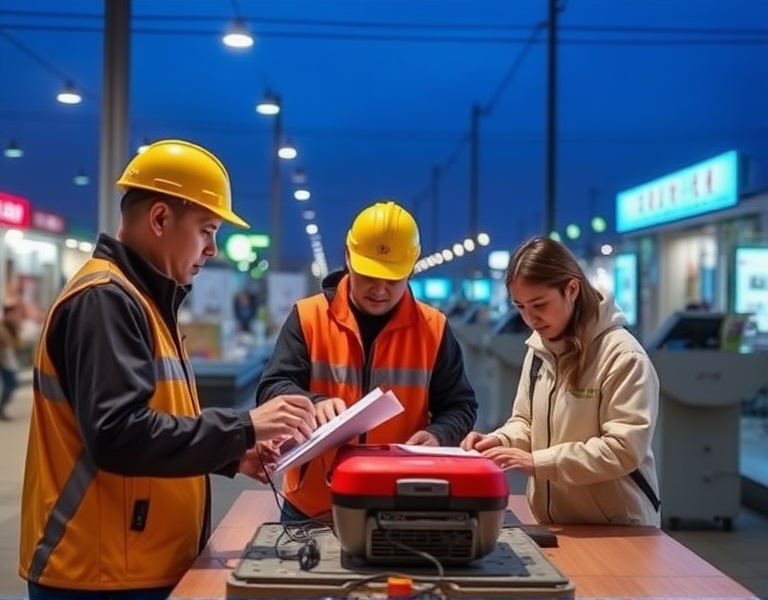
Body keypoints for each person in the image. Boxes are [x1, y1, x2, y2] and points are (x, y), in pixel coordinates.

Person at [19, 139, 318, 600]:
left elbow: (151, 424)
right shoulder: (105, 301)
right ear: (160, 219)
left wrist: (230, 454)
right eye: (206, 230)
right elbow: (118, 434)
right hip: (98, 576)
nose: (213, 249)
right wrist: (243, 427)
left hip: (129, 566)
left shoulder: (144, 303)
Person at [256, 200, 478, 522]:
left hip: (399, 501)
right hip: (313, 505)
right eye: (369, 275)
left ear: (411, 267)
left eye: (393, 278)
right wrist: (312, 403)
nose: (380, 289)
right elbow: (271, 388)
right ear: (348, 257)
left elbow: (461, 405)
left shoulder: (434, 329)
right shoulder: (308, 317)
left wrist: (439, 434)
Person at [461, 236, 661, 527]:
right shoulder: (540, 350)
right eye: (521, 307)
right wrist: (499, 441)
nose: (531, 318)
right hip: (557, 524)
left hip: (617, 528)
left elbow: (623, 449)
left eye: (540, 304)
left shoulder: (623, 357)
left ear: (572, 289)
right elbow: (526, 421)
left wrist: (537, 463)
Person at [0, 301, 22, 420]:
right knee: (10, 384)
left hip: (10, 361)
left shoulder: (13, 328)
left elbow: (17, 344)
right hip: (4, 361)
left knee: (12, 383)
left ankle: (2, 407)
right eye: (12, 314)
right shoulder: (2, 328)